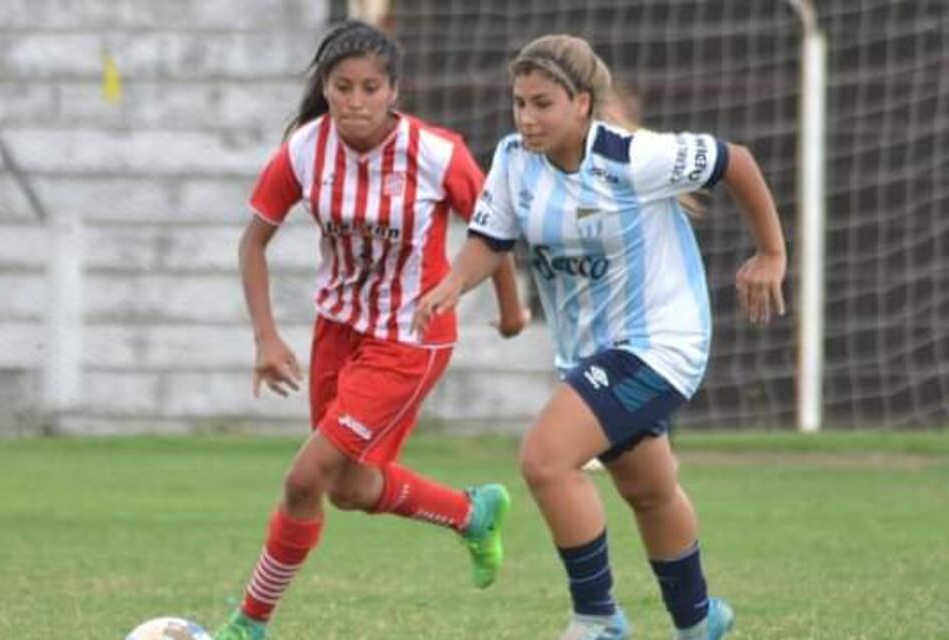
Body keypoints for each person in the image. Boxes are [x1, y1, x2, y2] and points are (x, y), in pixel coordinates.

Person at [415, 34, 787, 640]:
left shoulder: (634, 158)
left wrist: (771, 252)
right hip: (591, 352)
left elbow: (734, 160)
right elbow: (491, 239)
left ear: (582, 102)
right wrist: (453, 285)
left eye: (543, 103)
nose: (527, 118)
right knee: (649, 489)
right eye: (519, 103)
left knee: (545, 458)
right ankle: (700, 622)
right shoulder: (513, 160)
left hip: (661, 344)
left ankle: (598, 618)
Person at [214, 20, 528, 640]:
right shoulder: (305, 150)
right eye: (343, 87)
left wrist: (511, 308)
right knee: (349, 488)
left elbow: (493, 232)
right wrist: (266, 338)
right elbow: (253, 243)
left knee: (304, 478)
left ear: (393, 92)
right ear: (326, 89)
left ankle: (248, 623)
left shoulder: (438, 154)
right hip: (338, 332)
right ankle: (472, 513)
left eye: (369, 88)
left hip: (409, 339)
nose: (355, 100)